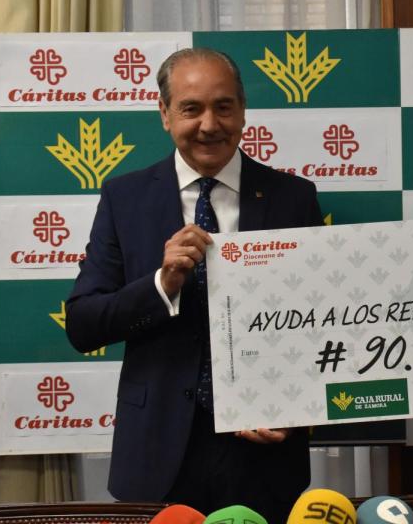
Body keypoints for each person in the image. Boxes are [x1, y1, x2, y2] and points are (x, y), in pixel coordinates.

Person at [66, 48, 322, 522]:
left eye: (223, 107)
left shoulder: (294, 197)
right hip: (158, 451)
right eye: (191, 108)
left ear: (243, 112)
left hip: (263, 454)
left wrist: (296, 408)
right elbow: (82, 325)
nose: (209, 124)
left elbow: (325, 323)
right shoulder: (124, 197)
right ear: (164, 114)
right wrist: (162, 284)